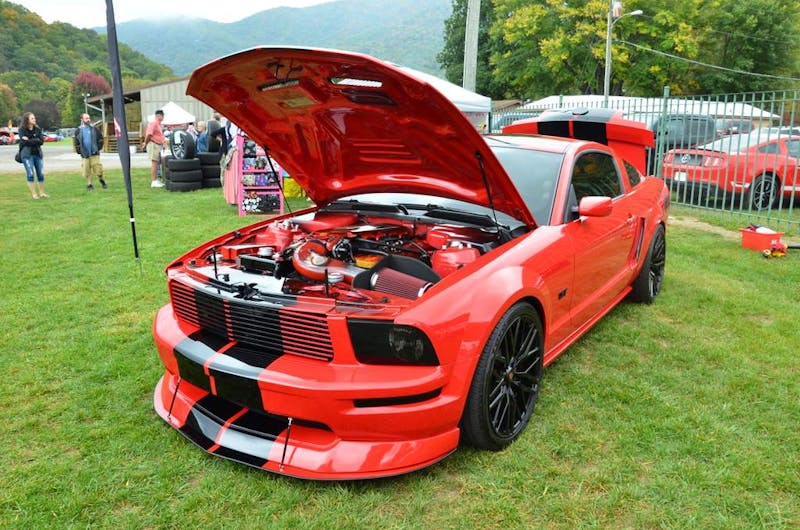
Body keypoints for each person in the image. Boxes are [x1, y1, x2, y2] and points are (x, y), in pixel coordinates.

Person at [18, 112, 48, 199]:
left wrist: (29, 140)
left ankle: (42, 193)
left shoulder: (37, 129)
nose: (34, 119)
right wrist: (35, 140)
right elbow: (23, 141)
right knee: (30, 174)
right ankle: (34, 194)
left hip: (37, 154)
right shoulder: (22, 129)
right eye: (32, 118)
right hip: (27, 155)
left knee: (41, 174)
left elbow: (41, 141)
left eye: (34, 118)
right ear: (27, 120)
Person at [74, 113, 106, 191]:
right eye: (86, 118)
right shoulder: (78, 130)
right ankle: (90, 184)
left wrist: (98, 148)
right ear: (82, 120)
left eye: (89, 118)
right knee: (87, 170)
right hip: (85, 154)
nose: (88, 120)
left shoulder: (94, 129)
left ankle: (101, 180)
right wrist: (80, 151)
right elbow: (76, 142)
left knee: (98, 170)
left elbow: (101, 139)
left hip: (94, 153)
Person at [141, 109, 165, 188]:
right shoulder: (153, 123)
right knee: (154, 163)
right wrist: (146, 143)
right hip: (153, 144)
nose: (163, 117)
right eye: (162, 116)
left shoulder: (159, 124)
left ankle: (156, 180)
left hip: (158, 145)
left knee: (157, 163)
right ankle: (154, 181)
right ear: (159, 116)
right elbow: (149, 135)